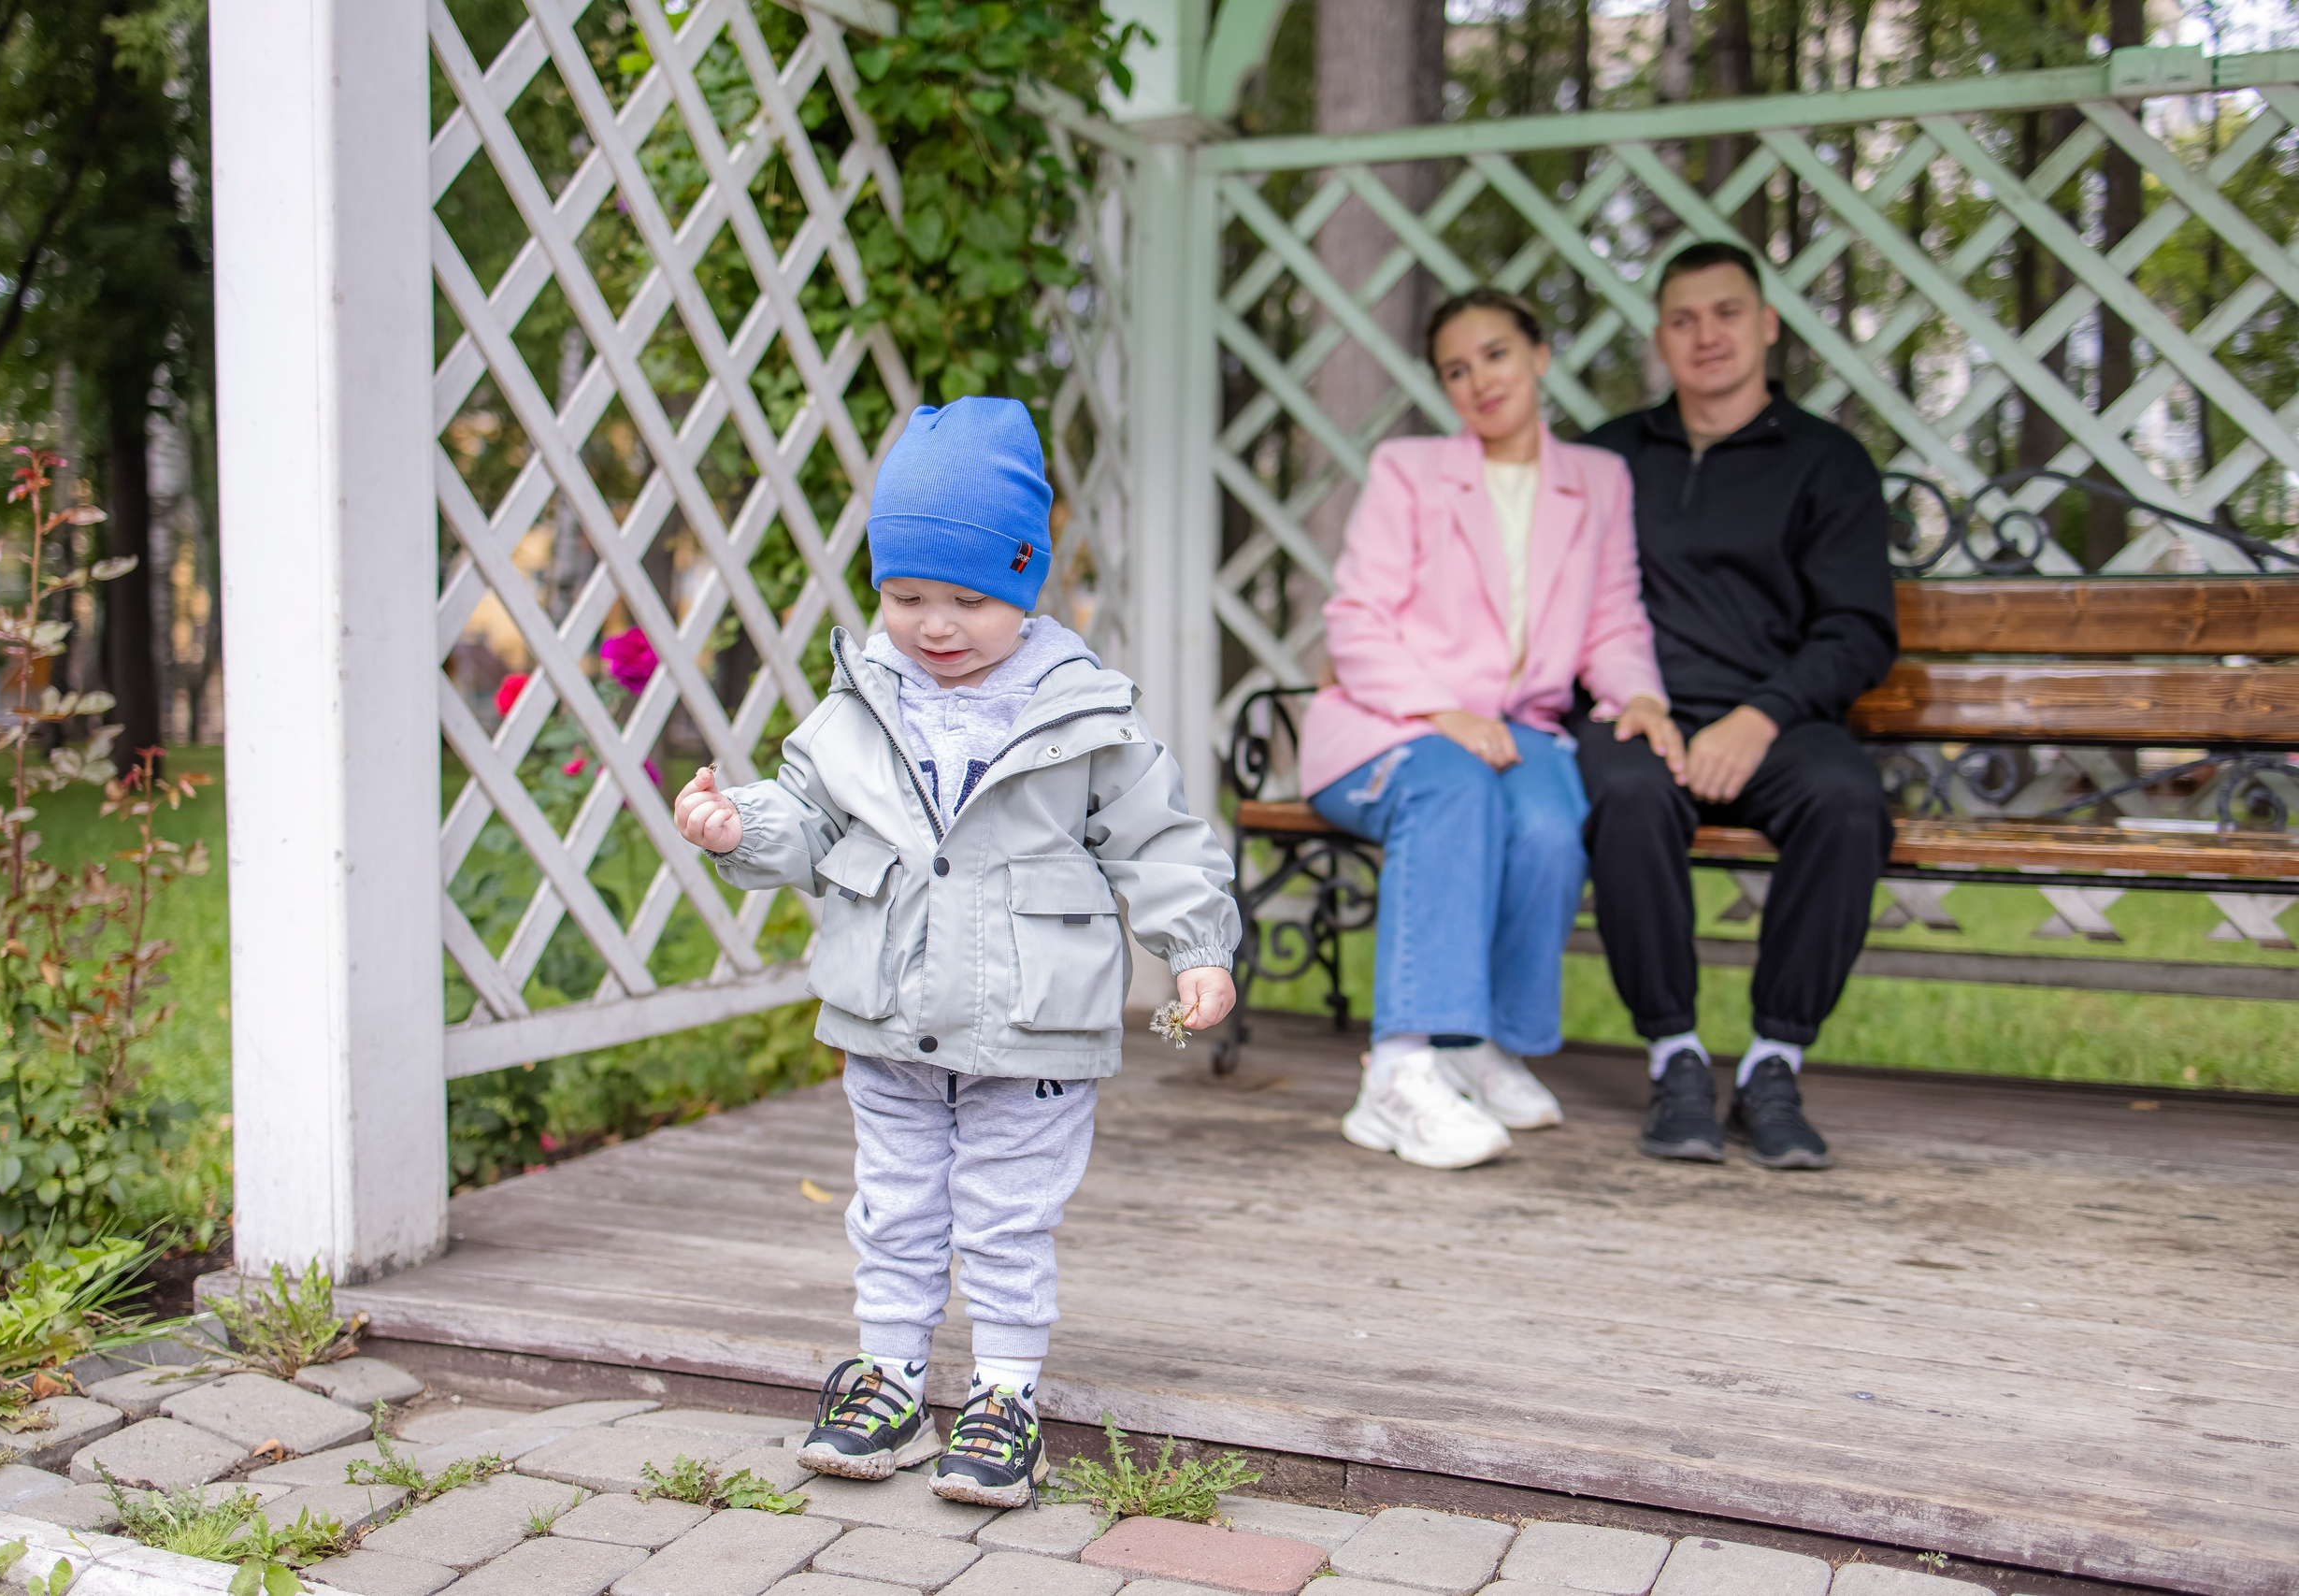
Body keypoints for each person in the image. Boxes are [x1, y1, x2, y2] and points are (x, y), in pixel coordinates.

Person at [672, 396, 1240, 1508]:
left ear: (1025, 583)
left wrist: (1193, 945)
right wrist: (742, 829)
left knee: (1006, 1209)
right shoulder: (857, 705)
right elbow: (807, 814)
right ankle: (886, 1377)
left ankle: (1004, 1394)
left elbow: (1162, 843)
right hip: (888, 1013)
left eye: (969, 599)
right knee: (893, 1200)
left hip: (1032, 1021)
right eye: (906, 595)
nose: (935, 624)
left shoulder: (1088, 716)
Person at [1300, 289, 1684, 1172]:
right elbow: (1356, 620)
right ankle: (1396, 1073)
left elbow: (1614, 622)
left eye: (1498, 355)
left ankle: (1478, 1044)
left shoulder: (1597, 480)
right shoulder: (1410, 470)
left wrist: (1642, 695)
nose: (1480, 380)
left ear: (1540, 356)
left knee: (1552, 825)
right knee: (1453, 784)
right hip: (1389, 723)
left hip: (1519, 729)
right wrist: (1445, 712)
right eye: (1456, 369)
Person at [1577, 240, 1898, 1172]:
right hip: (1638, 714)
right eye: (1682, 319)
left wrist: (1758, 718)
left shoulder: (1826, 462)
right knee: (1627, 797)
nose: (1704, 335)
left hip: (1778, 719)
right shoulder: (1606, 459)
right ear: (1660, 341)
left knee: (1847, 801)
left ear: (1764, 326)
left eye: (1724, 313)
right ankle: (1673, 1058)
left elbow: (1857, 631)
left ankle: (1771, 1066)